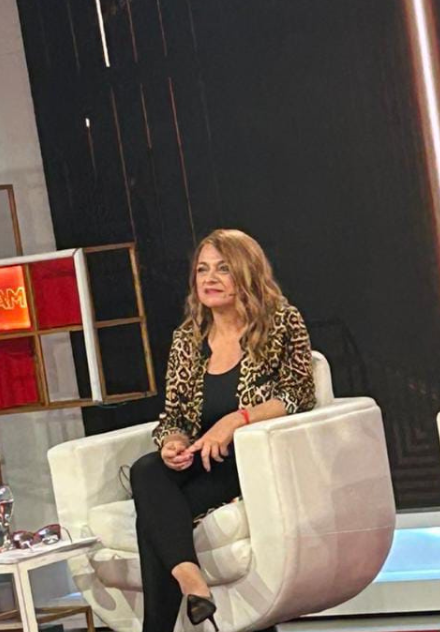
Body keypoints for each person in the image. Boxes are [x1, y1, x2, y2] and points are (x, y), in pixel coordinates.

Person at [128, 229, 316, 632]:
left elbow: (299, 395)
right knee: (147, 470)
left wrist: (235, 420)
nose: (209, 279)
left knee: (153, 520)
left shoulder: (281, 322)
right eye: (202, 269)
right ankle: (192, 583)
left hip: (252, 462)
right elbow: (174, 415)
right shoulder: (187, 338)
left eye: (223, 269)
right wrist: (173, 442)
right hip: (203, 460)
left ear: (246, 273)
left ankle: (169, 613)